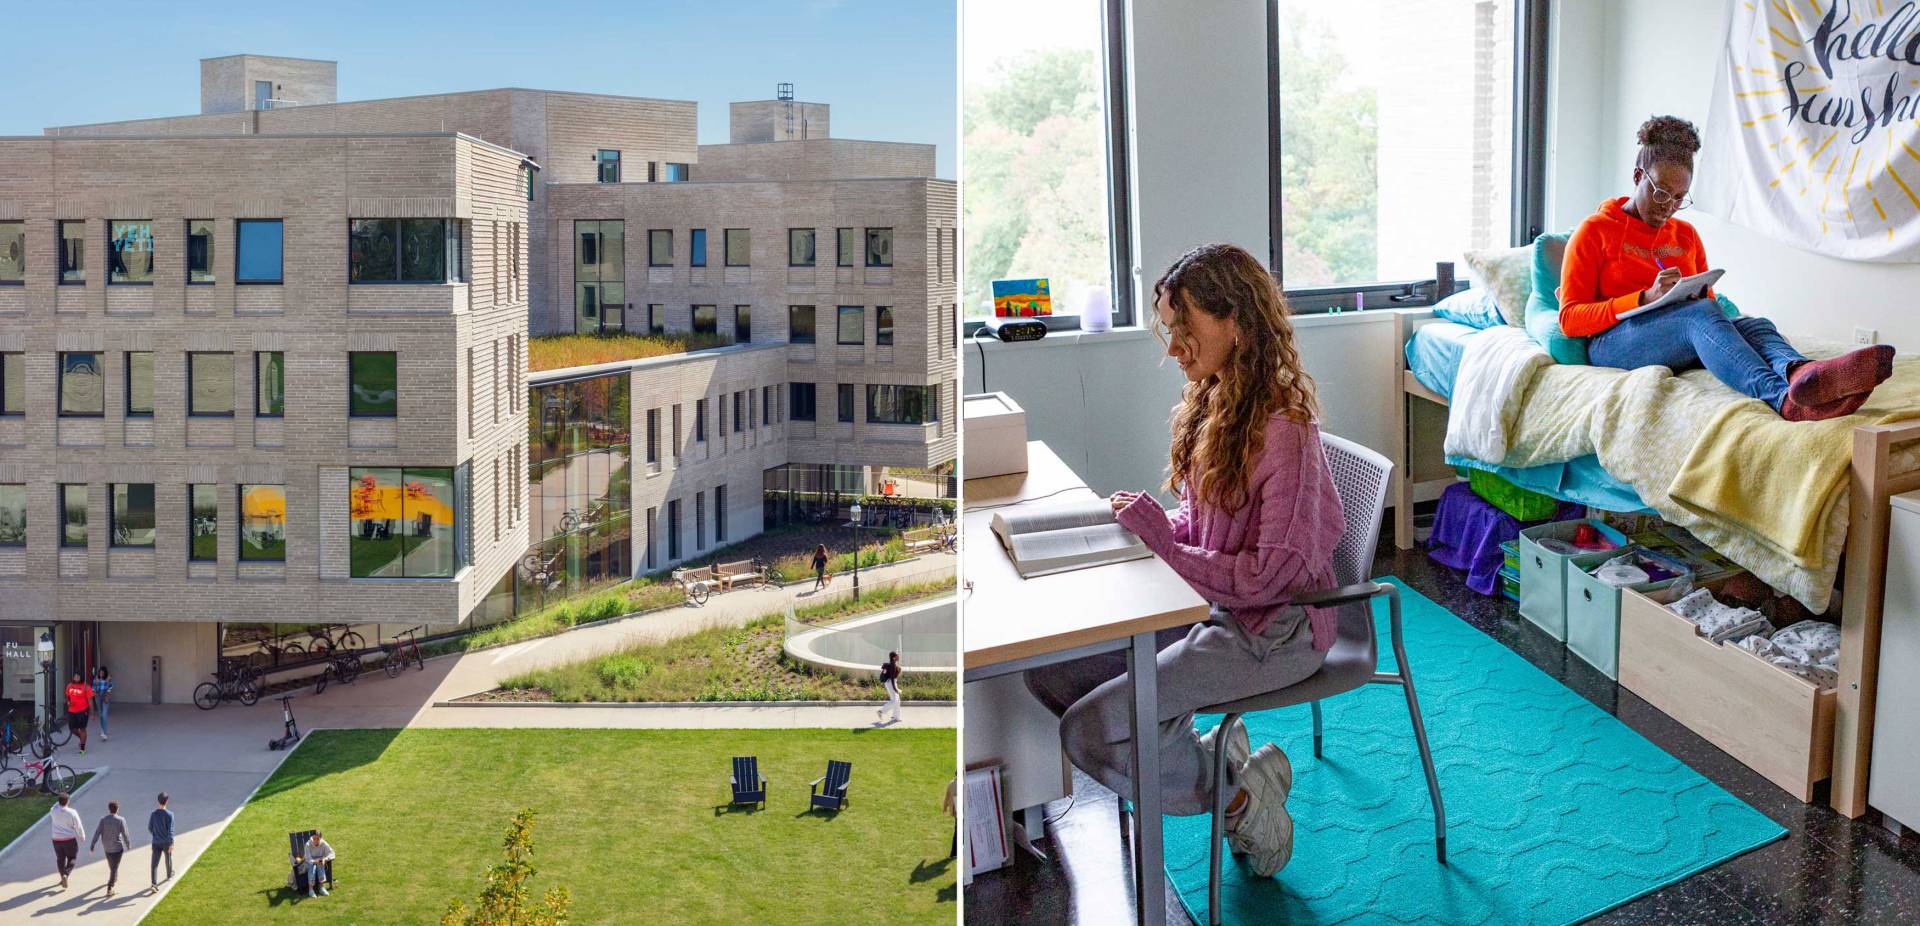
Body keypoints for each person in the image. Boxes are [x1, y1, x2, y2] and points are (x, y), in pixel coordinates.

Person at [1024, 243, 1344, 879]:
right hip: (1218, 607)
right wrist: (1139, 528)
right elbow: (1205, 527)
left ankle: (1242, 799)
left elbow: (1265, 578)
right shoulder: (1216, 403)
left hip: (1274, 629)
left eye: (1186, 329)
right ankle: (1221, 760)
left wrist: (1164, 544)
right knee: (1049, 674)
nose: (1174, 349)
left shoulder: (1285, 430)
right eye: (1169, 330)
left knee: (1088, 732)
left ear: (1237, 324)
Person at [1559, 115, 1895, 421]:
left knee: (1755, 325)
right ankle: (1784, 400)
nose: (1669, 207)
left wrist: (1698, 295)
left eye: (1679, 198)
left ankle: (1804, 374)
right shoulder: (1595, 231)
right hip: (1612, 345)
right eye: (1661, 192)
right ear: (1637, 177)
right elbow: (1570, 319)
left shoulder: (1685, 234)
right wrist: (1644, 298)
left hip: (1674, 335)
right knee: (1698, 317)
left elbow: (1709, 304)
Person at [90, 799, 132, 898]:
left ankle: (114, 877)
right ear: (117, 809)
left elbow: (97, 832)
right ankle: (110, 887)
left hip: (107, 847)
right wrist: (128, 845)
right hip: (117, 848)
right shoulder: (121, 820)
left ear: (109, 809)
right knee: (114, 867)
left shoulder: (103, 820)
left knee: (112, 866)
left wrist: (92, 845)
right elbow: (125, 834)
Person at [49, 791, 84, 890]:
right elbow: (78, 825)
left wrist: (59, 801)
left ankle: (62, 877)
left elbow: (54, 805)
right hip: (69, 840)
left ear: (59, 801)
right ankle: (66, 874)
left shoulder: (53, 811)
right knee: (72, 858)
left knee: (60, 859)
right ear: (68, 801)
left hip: (56, 839)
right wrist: (82, 835)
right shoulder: (72, 812)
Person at [148, 792, 174, 895]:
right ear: (167, 801)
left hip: (156, 842)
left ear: (158, 801)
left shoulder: (153, 814)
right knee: (168, 858)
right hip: (166, 842)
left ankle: (154, 884)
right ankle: (169, 875)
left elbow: (150, 827)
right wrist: (171, 843)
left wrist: (155, 835)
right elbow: (170, 830)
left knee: (154, 864)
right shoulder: (170, 814)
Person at [297, 830, 335, 898]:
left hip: (319, 862)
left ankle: (321, 887)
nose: (316, 840)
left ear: (320, 838)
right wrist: (315, 861)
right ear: (312, 837)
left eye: (317, 838)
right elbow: (308, 859)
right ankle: (311, 890)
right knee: (312, 867)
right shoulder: (308, 845)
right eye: (314, 838)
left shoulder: (323, 843)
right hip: (309, 863)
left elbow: (332, 853)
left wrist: (325, 859)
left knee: (320, 864)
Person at [64, 672, 92, 756]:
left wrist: (92, 713)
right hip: (72, 711)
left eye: (78, 676)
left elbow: (90, 700)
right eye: (75, 676)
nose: (76, 677)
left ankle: (82, 750)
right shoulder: (69, 685)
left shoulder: (86, 687)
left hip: (83, 711)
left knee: (82, 729)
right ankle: (82, 739)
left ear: (81, 677)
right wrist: (68, 702)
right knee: (72, 729)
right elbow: (67, 696)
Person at [877, 651, 903, 724]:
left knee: (897, 700)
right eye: (897, 656)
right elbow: (891, 678)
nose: (899, 657)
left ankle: (896, 716)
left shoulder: (893, 664)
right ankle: (881, 711)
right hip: (891, 683)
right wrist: (895, 688)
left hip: (892, 683)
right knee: (894, 700)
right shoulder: (892, 665)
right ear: (894, 657)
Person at [91, 666, 114, 742]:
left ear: (105, 673)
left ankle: (104, 731)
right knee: (100, 714)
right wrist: (94, 692)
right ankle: (102, 730)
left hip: (105, 697)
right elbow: (93, 688)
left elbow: (111, 687)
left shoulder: (109, 678)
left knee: (104, 714)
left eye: (102, 673)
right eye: (100, 672)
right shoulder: (96, 679)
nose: (101, 674)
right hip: (98, 697)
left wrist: (107, 695)